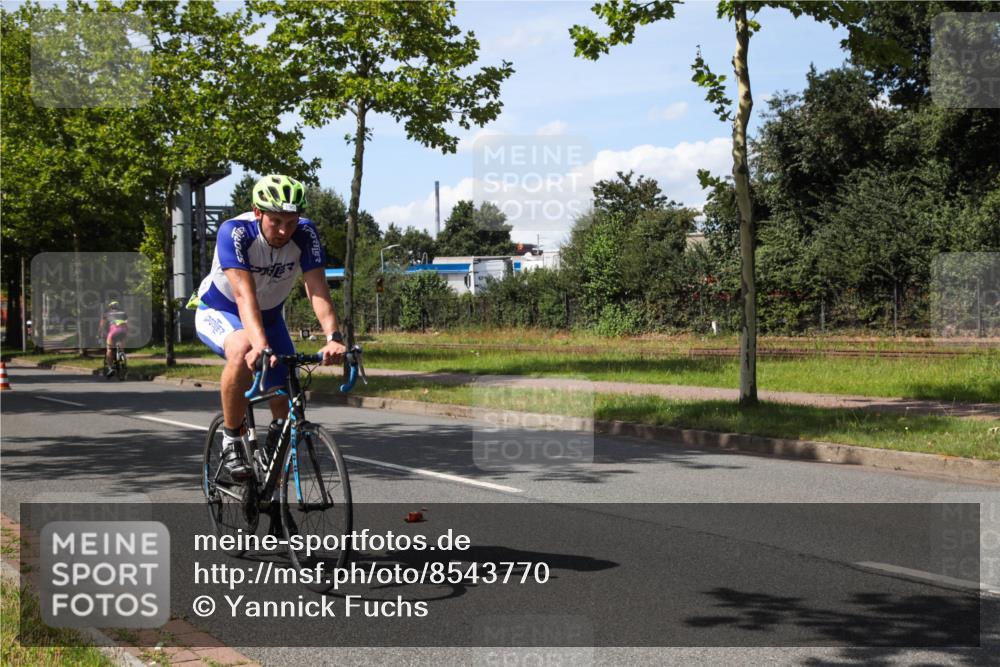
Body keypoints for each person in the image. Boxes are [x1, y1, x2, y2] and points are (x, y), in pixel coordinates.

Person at [193, 174, 346, 480]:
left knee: (286, 397)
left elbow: (317, 288)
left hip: (270, 318)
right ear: (258, 212)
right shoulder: (235, 232)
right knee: (243, 349)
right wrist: (261, 346)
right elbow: (243, 295)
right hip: (222, 310)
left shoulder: (305, 233)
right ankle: (231, 439)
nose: (284, 231)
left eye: (291, 222)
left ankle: (272, 477)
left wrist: (334, 336)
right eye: (276, 221)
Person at [98, 300, 129, 377]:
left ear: (110, 307)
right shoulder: (124, 313)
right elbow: (127, 323)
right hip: (123, 331)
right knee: (121, 347)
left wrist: (99, 335)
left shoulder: (106, 314)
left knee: (109, 349)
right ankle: (122, 356)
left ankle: (110, 368)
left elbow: (101, 326)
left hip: (113, 332)